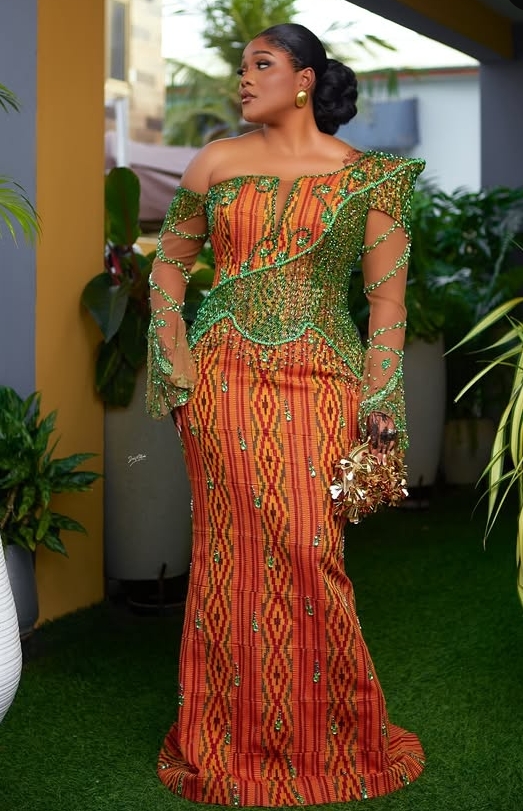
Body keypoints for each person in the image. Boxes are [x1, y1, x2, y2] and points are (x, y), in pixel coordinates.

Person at [147, 22, 425, 807]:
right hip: (222, 384)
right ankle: (226, 738)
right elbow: (166, 271)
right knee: (230, 558)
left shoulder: (369, 177)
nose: (242, 78)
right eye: (241, 66)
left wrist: (379, 401)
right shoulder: (215, 162)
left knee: (310, 550)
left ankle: (329, 736)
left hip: (322, 381)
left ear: (303, 79)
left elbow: (387, 305)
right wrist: (177, 366)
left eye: (260, 64)